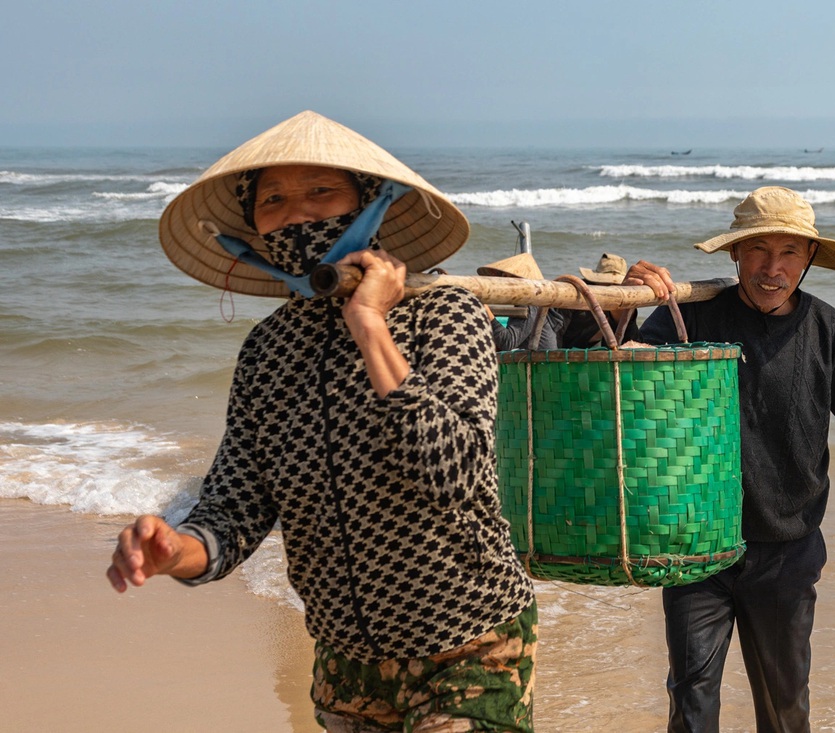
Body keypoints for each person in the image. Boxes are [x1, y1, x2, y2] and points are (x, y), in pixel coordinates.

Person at [106, 111, 537, 733]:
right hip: (345, 664)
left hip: (467, 644)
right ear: (252, 225)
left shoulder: (445, 314)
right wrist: (175, 551)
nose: (297, 212)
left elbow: (453, 475)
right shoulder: (267, 351)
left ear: (371, 206)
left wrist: (370, 327)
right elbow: (235, 508)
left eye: (320, 192)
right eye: (273, 199)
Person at [624, 186, 835, 733]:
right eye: (759, 250)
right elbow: (614, 373)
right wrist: (624, 298)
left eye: (790, 253)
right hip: (695, 547)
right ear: (734, 253)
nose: (772, 269)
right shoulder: (691, 319)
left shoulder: (827, 331)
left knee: (785, 705)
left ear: (810, 258)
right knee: (692, 701)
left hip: (786, 550)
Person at [478, 252, 562, 350]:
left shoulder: (530, 305)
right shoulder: (528, 304)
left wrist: (484, 309)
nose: (502, 282)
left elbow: (507, 343)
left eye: (507, 277)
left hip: (540, 363)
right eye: (503, 276)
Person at [558, 252, 634, 348]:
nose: (610, 290)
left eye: (615, 286)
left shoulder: (622, 307)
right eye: (606, 284)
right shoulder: (575, 296)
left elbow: (631, 340)